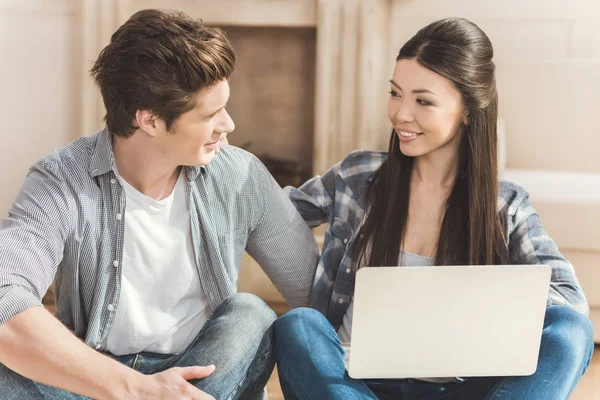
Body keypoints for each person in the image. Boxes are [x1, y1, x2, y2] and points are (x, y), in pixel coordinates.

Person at [0, 9, 318, 400]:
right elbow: (5, 294)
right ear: (149, 120)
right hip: (99, 382)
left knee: (251, 316)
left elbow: (314, 292)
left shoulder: (240, 175)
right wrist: (138, 390)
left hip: (200, 372)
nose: (228, 125)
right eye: (210, 113)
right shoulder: (63, 179)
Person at [275, 17, 594, 400]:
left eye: (423, 101)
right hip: (354, 383)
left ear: (469, 111)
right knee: (299, 325)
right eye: (396, 94)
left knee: (572, 331)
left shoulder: (504, 207)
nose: (400, 114)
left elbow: (569, 298)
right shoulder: (357, 176)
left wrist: (497, 295)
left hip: (462, 385)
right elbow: (272, 214)